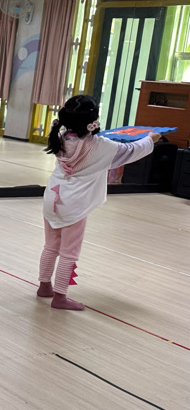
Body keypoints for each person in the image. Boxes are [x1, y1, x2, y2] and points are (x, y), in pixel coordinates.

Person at [37, 95, 161, 310]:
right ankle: (60, 297)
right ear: (93, 121)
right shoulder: (100, 146)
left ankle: (44, 286)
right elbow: (130, 151)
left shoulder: (60, 138)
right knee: (69, 252)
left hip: (52, 198)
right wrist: (150, 139)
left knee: (51, 245)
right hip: (75, 205)